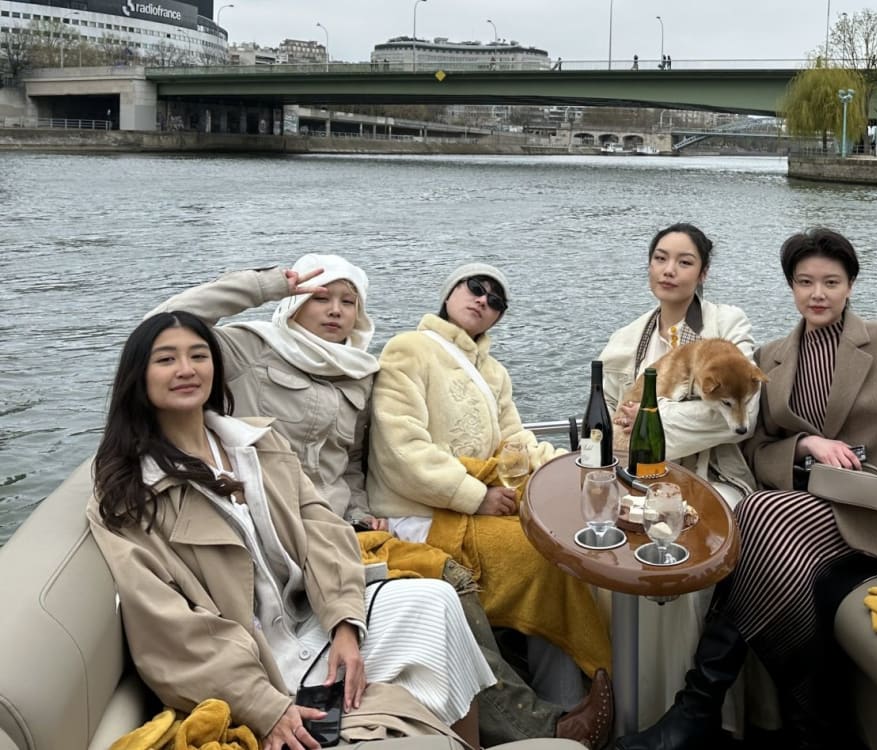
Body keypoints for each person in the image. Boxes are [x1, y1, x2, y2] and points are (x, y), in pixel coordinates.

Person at [147, 256, 614, 749]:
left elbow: (350, 462)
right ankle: (536, 728)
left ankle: (554, 704)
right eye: (320, 297)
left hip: (334, 522)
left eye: (348, 302)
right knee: (452, 578)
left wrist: (359, 513)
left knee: (540, 553)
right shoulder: (248, 352)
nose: (335, 311)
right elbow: (166, 326)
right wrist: (268, 284)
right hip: (278, 527)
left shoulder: (358, 370)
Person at [617, 227, 877, 750]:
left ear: (850, 285)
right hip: (825, 515)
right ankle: (805, 724)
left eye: (830, 281)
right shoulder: (771, 360)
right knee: (769, 534)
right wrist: (804, 446)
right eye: (804, 282)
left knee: (761, 516)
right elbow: (757, 448)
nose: (817, 294)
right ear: (791, 287)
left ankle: (699, 710)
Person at [88, 311, 497, 750]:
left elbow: (321, 528)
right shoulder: (130, 495)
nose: (186, 370)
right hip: (258, 664)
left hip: (314, 624)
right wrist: (266, 707)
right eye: (166, 359)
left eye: (198, 355)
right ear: (138, 377)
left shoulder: (257, 445)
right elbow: (168, 625)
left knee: (437, 602)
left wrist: (344, 622)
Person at [367, 263, 614, 716]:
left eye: (496, 300)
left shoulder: (494, 372)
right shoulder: (409, 349)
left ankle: (566, 686)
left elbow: (514, 442)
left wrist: (570, 465)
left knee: (561, 537)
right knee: (542, 558)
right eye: (475, 288)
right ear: (450, 292)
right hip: (420, 512)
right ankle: (565, 703)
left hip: (476, 500)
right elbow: (400, 450)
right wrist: (475, 497)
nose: (483, 300)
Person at [599, 224, 765, 733]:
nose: (669, 270)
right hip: (633, 481)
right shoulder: (625, 342)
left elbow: (742, 417)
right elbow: (610, 425)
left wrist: (645, 426)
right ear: (649, 265)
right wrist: (628, 435)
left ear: (703, 272)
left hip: (712, 476)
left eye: (685, 261)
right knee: (601, 553)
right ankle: (620, 708)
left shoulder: (727, 324)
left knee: (680, 558)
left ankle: (684, 720)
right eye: (660, 258)